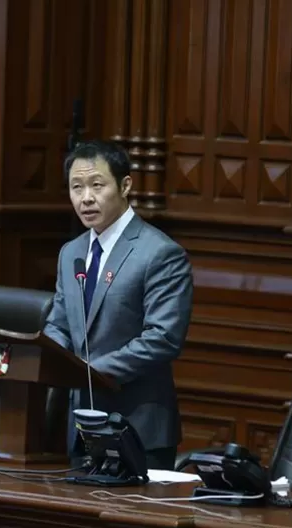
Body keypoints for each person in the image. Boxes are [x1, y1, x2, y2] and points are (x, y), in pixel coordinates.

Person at [43, 140, 193, 470]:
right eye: (76, 187)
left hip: (138, 426)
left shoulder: (159, 253)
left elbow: (163, 338)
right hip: (81, 427)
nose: (86, 198)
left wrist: (89, 372)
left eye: (97, 185)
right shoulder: (72, 252)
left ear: (125, 185)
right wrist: (51, 359)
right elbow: (58, 323)